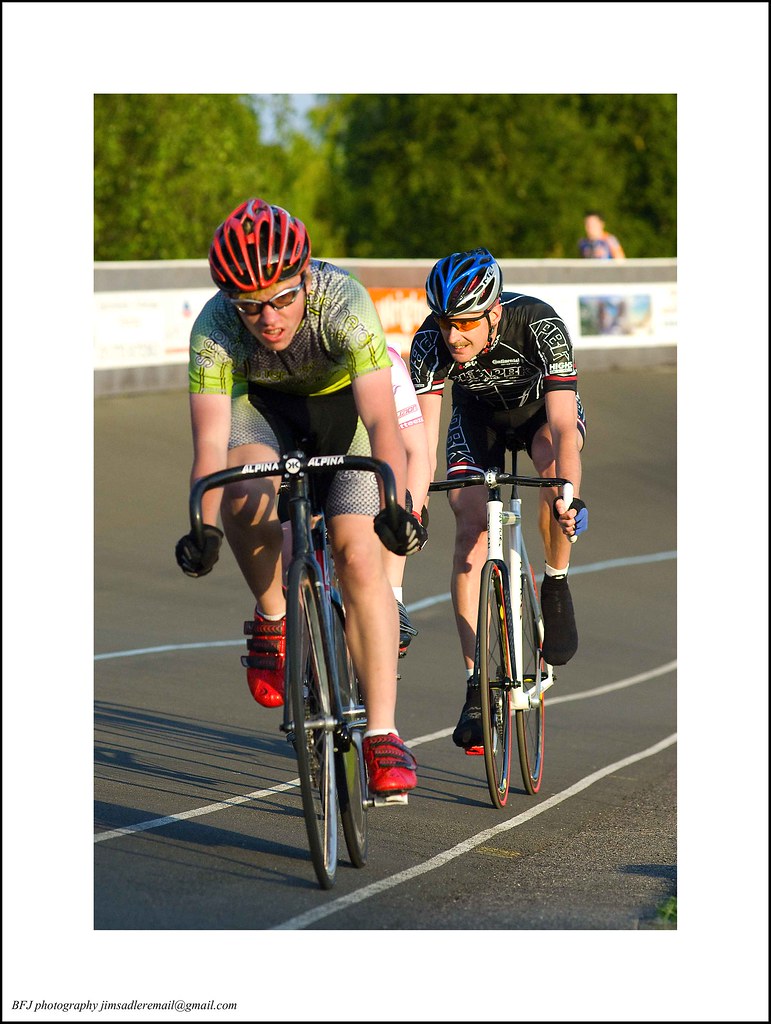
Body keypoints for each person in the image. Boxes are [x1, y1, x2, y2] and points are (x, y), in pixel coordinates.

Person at [174, 197, 426, 796]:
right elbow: (210, 445)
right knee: (243, 490)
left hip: (347, 418)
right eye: (250, 306)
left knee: (359, 554)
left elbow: (384, 425)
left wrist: (392, 502)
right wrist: (201, 526)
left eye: (284, 298)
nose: (269, 318)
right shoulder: (213, 329)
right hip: (259, 415)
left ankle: (383, 734)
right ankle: (273, 618)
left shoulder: (345, 301)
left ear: (307, 276)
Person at [410, 248, 588, 753]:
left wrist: (569, 495)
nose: (453, 336)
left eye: (466, 323)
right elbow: (421, 439)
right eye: (446, 323)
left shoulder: (540, 324)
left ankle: (555, 582)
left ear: (493, 312)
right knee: (468, 527)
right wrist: (414, 504)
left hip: (539, 418)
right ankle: (475, 685)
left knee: (555, 476)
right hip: (477, 421)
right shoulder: (430, 342)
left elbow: (561, 425)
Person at [384, 345, 431, 656]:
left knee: (396, 500)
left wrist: (411, 514)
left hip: (368, 458)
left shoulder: (385, 362)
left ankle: (392, 596)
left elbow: (416, 452)